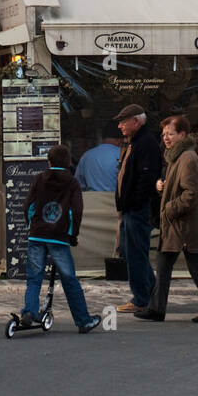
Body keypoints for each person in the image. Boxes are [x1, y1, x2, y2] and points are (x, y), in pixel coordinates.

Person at [134, 115, 198, 324]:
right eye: (164, 134)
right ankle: (157, 308)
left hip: (183, 224)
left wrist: (167, 209)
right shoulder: (175, 156)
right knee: (164, 263)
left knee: (197, 265)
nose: (165, 138)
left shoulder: (188, 158)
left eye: (170, 134)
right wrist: (161, 185)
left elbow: (191, 194)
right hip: (175, 223)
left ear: (182, 135)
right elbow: (178, 187)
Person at [21, 145, 101, 333]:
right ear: (70, 163)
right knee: (69, 279)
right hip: (58, 236)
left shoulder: (39, 179)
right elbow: (76, 211)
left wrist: (30, 227)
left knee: (34, 278)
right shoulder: (72, 183)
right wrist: (72, 235)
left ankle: (29, 312)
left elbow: (28, 206)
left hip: (37, 234)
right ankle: (83, 320)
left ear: (48, 162)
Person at [114, 103, 163, 313]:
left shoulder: (145, 143)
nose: (120, 126)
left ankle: (141, 298)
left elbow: (146, 177)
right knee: (131, 250)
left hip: (137, 209)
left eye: (123, 121)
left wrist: (133, 202)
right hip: (131, 208)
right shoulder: (136, 141)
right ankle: (150, 291)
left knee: (135, 252)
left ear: (136, 121)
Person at [74, 121, 122, 192]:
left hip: (92, 201)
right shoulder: (123, 155)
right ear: (119, 139)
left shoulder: (87, 155)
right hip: (114, 201)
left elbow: (78, 184)